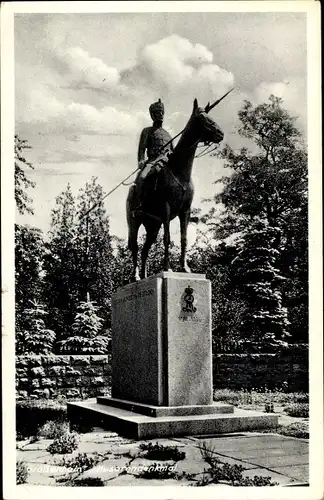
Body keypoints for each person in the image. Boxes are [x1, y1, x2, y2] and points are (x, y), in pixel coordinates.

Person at [132, 99, 173, 215]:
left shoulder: (168, 135)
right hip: (152, 161)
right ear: (152, 115)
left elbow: (173, 151)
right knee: (142, 177)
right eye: (157, 113)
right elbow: (141, 149)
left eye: (162, 113)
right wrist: (141, 160)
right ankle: (138, 205)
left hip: (166, 163)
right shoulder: (147, 131)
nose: (160, 115)